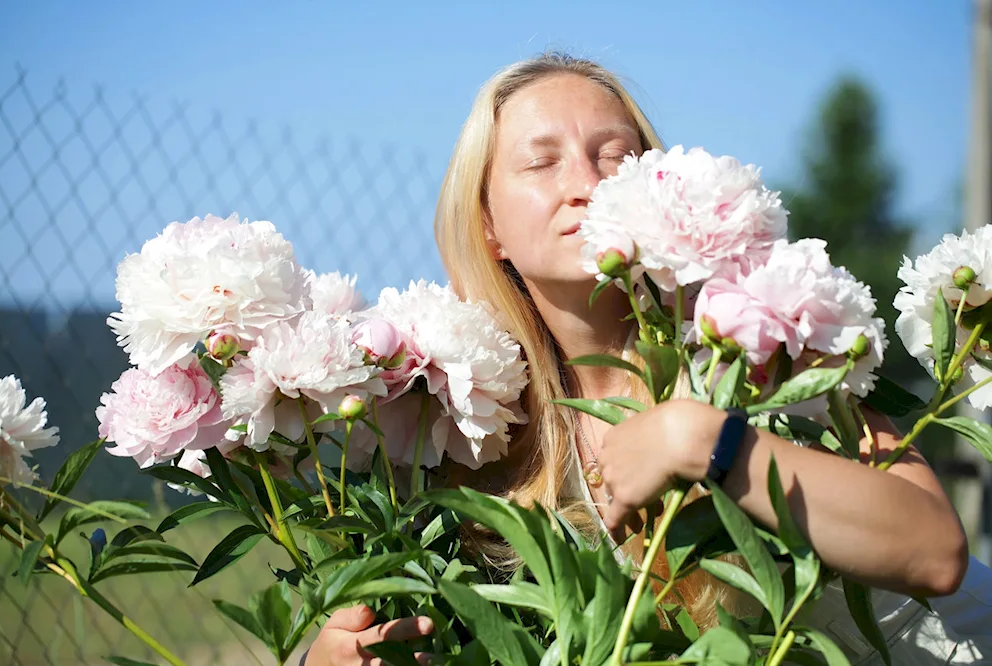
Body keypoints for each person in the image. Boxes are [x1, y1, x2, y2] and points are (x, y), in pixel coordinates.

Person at [304, 52, 992, 665]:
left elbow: (934, 553)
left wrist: (701, 440)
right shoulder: (456, 418)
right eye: (543, 161)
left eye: (613, 155)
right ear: (488, 226)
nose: (587, 183)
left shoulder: (754, 342)